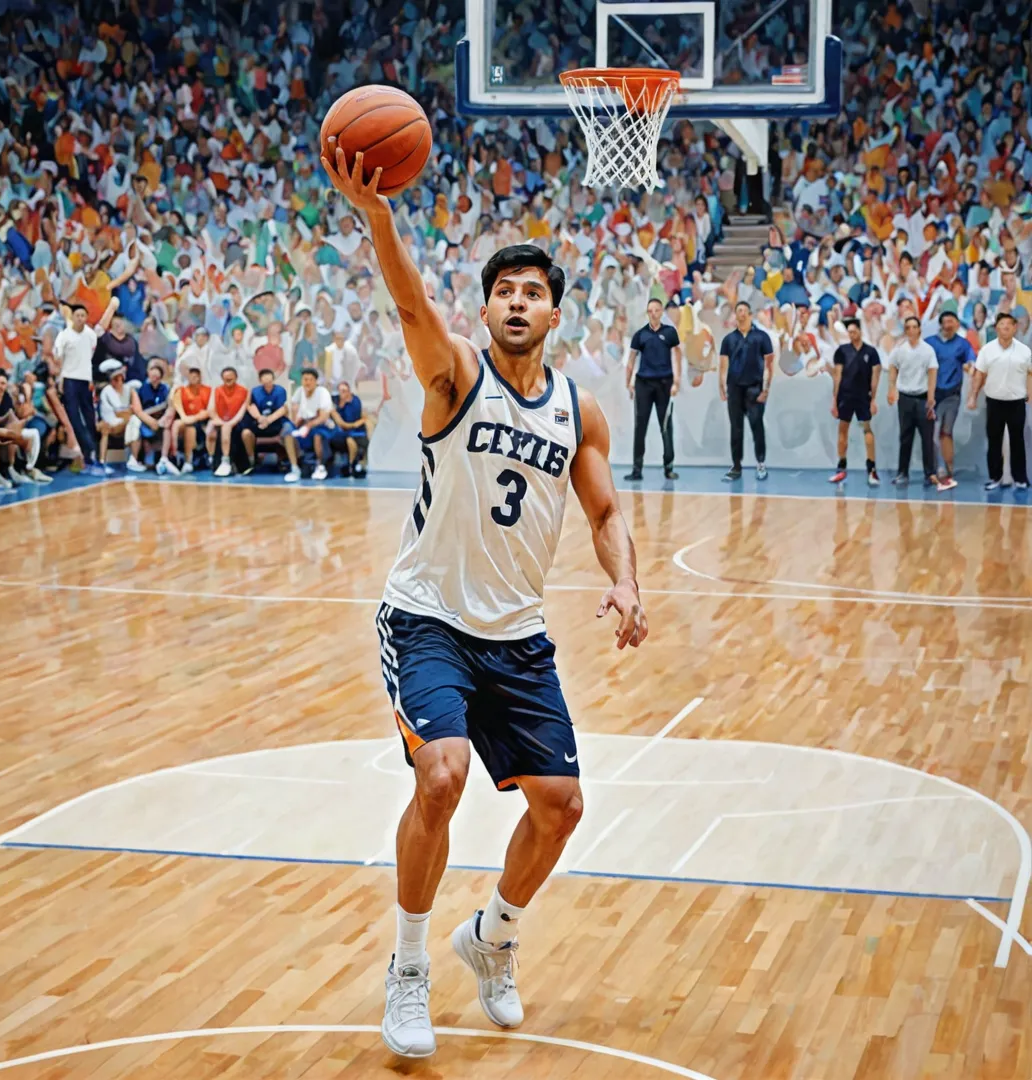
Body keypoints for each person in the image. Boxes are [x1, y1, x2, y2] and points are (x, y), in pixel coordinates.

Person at [323, 144, 647, 1060]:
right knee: (444, 775)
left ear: (553, 311)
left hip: (516, 637)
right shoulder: (454, 373)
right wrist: (378, 216)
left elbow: (607, 510)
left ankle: (493, 940)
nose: (515, 301)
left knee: (561, 805)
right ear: (487, 306)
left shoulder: (577, 412)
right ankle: (412, 968)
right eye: (502, 289)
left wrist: (626, 581)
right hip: (427, 618)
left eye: (531, 292)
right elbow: (409, 303)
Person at [968, 312, 1032, 491]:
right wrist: (973, 396)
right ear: (996, 328)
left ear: (1015, 328)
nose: (1005, 327)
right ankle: (995, 477)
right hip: (994, 402)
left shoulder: (1024, 351)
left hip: (1017, 402)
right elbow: (979, 375)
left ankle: (1020, 478)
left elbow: (1030, 374)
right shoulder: (987, 350)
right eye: (1001, 324)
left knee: (1017, 440)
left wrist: (1030, 394)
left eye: (1009, 324)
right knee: (994, 441)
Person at [53, 300, 114, 476]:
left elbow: (99, 333)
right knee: (74, 418)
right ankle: (89, 456)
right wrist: (61, 381)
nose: (80, 318)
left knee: (90, 418)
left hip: (85, 381)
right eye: (77, 315)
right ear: (72, 318)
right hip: (70, 381)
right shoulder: (64, 336)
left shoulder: (90, 335)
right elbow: (59, 360)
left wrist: (111, 306)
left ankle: (92, 458)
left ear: (86, 318)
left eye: (83, 315)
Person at [623, 298, 681, 482]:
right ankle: (636, 469)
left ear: (661, 311)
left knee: (666, 426)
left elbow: (677, 356)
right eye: (650, 311)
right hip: (643, 384)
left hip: (665, 383)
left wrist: (677, 381)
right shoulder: (640, 335)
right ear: (647, 313)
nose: (653, 313)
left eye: (656, 310)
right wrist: (629, 382)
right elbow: (631, 359)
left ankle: (668, 468)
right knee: (640, 427)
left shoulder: (670, 333)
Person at [718, 301, 774, 481]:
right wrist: (721, 386)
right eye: (738, 311)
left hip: (754, 388)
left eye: (744, 311)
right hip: (734, 389)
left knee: (757, 426)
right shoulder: (728, 340)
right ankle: (736, 466)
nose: (741, 314)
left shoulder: (762, 337)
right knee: (736, 428)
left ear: (750, 315)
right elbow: (723, 365)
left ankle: (761, 463)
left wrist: (765, 389)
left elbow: (769, 365)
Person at [925, 304, 977, 492]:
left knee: (946, 432)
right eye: (945, 322)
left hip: (952, 395)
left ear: (956, 325)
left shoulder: (962, 344)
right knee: (932, 433)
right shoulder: (930, 342)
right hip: (933, 395)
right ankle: (935, 469)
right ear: (940, 325)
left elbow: (971, 361)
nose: (949, 325)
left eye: (952, 322)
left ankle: (948, 469)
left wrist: (970, 367)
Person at [887, 316, 939, 487]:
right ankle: (902, 473)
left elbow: (932, 373)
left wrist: (931, 398)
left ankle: (930, 473)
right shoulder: (900, 349)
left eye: (914, 327)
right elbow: (893, 366)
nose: (911, 330)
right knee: (905, 437)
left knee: (927, 439)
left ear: (919, 329)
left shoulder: (928, 350)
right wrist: (892, 388)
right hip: (905, 399)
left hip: (923, 398)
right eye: (907, 327)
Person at [829, 317, 881, 486]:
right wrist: (834, 400)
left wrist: (873, 400)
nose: (851, 334)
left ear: (860, 331)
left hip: (863, 397)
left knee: (867, 429)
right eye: (849, 332)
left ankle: (872, 470)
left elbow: (875, 378)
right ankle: (841, 468)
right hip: (845, 396)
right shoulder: (842, 351)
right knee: (842, 430)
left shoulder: (871, 352)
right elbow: (837, 376)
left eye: (854, 331)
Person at [0, 368, 45, 484]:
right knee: (11, 438)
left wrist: (20, 421)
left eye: (2, 383)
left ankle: (28, 467)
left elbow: (13, 419)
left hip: (5, 431)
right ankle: (2, 473)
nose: (0, 386)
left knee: (33, 433)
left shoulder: (7, 398)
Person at [240, 368, 302, 482]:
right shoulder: (254, 391)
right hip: (259, 422)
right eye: (265, 379)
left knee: (288, 431)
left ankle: (294, 466)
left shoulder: (280, 390)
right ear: (260, 380)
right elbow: (250, 406)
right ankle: (251, 461)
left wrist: (268, 420)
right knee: (245, 433)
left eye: (270, 379)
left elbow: (283, 409)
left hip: (276, 422)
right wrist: (259, 418)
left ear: (273, 380)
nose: (267, 382)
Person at [157, 367, 211, 476]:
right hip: (185, 421)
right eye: (191, 376)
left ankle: (186, 460)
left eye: (196, 376)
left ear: (200, 377)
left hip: (201, 422)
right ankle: (176, 457)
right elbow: (177, 407)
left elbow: (207, 412)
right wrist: (184, 417)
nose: (193, 379)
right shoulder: (181, 391)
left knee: (189, 427)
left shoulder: (207, 391)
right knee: (179, 425)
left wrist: (194, 418)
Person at [290, 367, 335, 480]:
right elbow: (294, 408)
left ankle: (321, 466)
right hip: (304, 424)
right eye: (305, 379)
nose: (307, 382)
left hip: (322, 425)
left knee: (317, 435)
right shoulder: (299, 391)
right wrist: (296, 423)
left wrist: (308, 425)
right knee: (290, 434)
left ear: (316, 381)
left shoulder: (322, 392)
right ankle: (295, 468)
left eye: (310, 379)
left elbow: (324, 416)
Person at [126, 360, 170, 472]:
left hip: (161, 420)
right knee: (135, 421)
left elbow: (166, 406)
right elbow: (137, 410)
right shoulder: (142, 389)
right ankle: (134, 459)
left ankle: (164, 460)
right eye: (152, 374)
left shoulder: (165, 389)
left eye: (157, 375)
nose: (154, 377)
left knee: (167, 425)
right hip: (144, 419)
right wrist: (147, 418)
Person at [207, 366, 250, 477]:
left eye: (231, 378)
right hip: (222, 421)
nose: (228, 380)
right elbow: (211, 410)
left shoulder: (244, 391)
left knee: (227, 430)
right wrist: (219, 421)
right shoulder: (217, 390)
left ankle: (226, 460)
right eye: (226, 378)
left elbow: (242, 411)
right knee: (211, 429)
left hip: (238, 422)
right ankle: (212, 460)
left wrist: (229, 424)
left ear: (236, 377)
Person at [97, 360, 134, 473]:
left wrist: (130, 413)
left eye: (120, 377)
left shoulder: (128, 389)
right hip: (110, 422)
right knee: (105, 428)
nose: (118, 381)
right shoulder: (107, 391)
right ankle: (102, 462)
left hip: (122, 422)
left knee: (133, 422)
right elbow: (120, 412)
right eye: (115, 378)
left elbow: (129, 411)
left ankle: (132, 460)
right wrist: (129, 412)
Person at [330, 380, 370, 478]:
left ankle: (360, 466)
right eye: (341, 391)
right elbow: (341, 423)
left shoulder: (356, 401)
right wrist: (353, 425)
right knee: (350, 441)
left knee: (364, 442)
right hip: (341, 432)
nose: (343, 393)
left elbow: (363, 417)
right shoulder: (335, 403)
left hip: (357, 431)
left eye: (345, 391)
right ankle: (351, 465)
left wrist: (359, 423)